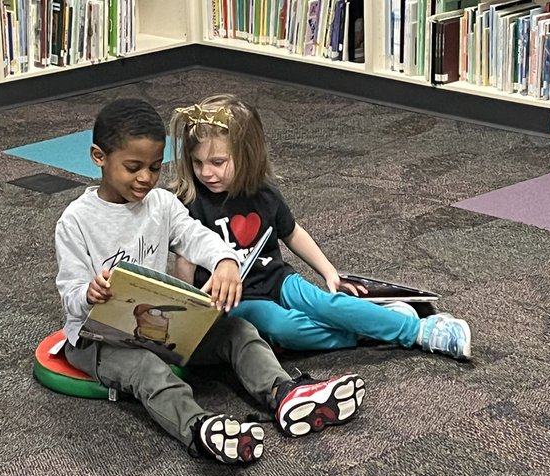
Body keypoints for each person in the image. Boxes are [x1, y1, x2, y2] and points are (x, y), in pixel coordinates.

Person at [55, 97, 366, 466]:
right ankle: (200, 429)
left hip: (155, 326)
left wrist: (225, 261)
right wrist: (89, 294)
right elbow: (70, 294)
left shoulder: (161, 204)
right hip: (95, 340)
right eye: (133, 168)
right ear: (98, 157)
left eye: (154, 167)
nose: (145, 178)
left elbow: (196, 237)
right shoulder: (75, 221)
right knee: (147, 369)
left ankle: (284, 392)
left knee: (238, 330)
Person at [170, 95, 472, 360]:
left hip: (278, 279)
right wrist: (190, 308)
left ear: (247, 156)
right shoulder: (190, 201)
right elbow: (185, 260)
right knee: (282, 328)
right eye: (197, 163)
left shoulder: (264, 193)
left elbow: (292, 233)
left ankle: (420, 330)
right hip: (237, 299)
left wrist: (328, 272)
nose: (206, 172)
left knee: (327, 304)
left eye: (217, 162)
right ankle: (375, 329)